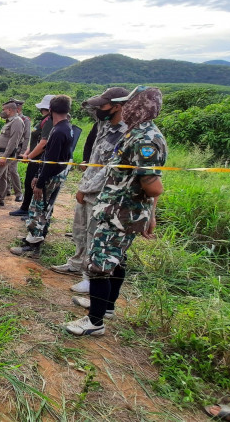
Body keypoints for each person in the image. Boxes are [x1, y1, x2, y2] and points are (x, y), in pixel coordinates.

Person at [64, 86, 167, 337]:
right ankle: (106, 307)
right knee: (116, 259)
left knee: (99, 263)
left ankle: (94, 322)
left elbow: (153, 186)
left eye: (131, 103)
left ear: (140, 107)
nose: (127, 107)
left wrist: (149, 212)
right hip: (115, 210)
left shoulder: (146, 139)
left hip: (121, 214)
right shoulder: (136, 133)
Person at [50, 87, 129, 296]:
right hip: (87, 187)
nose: (99, 110)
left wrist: (85, 188)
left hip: (101, 193)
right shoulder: (103, 126)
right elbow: (89, 108)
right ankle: (76, 262)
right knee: (80, 229)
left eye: (104, 105)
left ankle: (89, 277)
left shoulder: (124, 133)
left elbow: (108, 171)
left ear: (118, 106)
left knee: (95, 235)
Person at [10, 95, 74, 256]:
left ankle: (33, 247)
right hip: (56, 172)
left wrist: (39, 181)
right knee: (45, 208)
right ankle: (34, 237)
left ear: (51, 110)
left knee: (38, 209)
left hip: (51, 174)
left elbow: (50, 160)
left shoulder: (58, 131)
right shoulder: (66, 127)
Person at [9, 95, 54, 218]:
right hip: (34, 158)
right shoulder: (43, 121)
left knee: (35, 185)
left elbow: (43, 143)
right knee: (29, 183)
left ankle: (31, 211)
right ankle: (25, 208)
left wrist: (30, 156)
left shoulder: (49, 122)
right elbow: (35, 140)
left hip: (39, 159)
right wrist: (27, 154)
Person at [2, 99, 30, 203]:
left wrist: (22, 152)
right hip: (8, 148)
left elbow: (27, 137)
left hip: (17, 148)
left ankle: (19, 193)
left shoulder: (24, 120)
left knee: (12, 170)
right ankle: (7, 190)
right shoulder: (11, 119)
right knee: (5, 169)